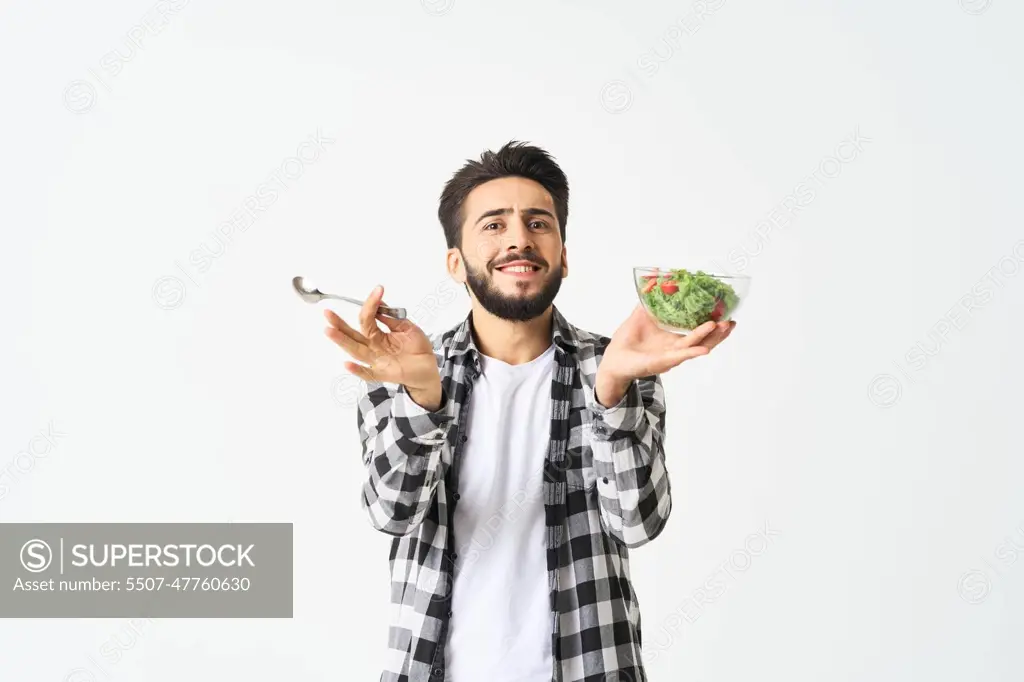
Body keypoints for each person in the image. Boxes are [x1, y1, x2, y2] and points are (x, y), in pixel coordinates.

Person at [324, 141, 735, 682]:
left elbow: (638, 523)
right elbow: (391, 514)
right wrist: (425, 400)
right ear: (456, 263)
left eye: (538, 223)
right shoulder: (402, 372)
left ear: (563, 254)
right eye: (493, 225)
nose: (519, 237)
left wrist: (612, 390)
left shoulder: (617, 366)